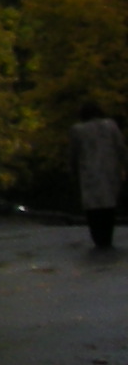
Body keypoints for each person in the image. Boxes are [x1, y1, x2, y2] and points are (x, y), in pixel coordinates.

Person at [74, 104, 124, 253]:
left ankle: (98, 239)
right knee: (109, 205)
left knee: (93, 208)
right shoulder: (111, 126)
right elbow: (120, 147)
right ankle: (107, 238)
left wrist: (72, 169)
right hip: (110, 170)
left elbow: (74, 152)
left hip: (88, 172)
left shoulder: (78, 130)